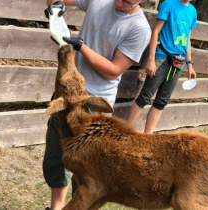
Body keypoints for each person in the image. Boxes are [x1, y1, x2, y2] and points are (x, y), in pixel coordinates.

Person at [43, 0, 151, 209]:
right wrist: (55, 10)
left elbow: (113, 70)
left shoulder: (139, 28)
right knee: (57, 155)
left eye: (128, 1)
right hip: (67, 93)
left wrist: (81, 46)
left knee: (88, 169)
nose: (119, 2)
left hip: (94, 103)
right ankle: (56, 207)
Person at [126, 0, 197, 133]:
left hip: (179, 62)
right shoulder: (168, 4)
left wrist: (190, 65)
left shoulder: (192, 11)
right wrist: (151, 60)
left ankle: (148, 136)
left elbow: (187, 38)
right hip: (161, 57)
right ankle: (124, 131)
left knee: (162, 101)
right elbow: (155, 32)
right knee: (145, 95)